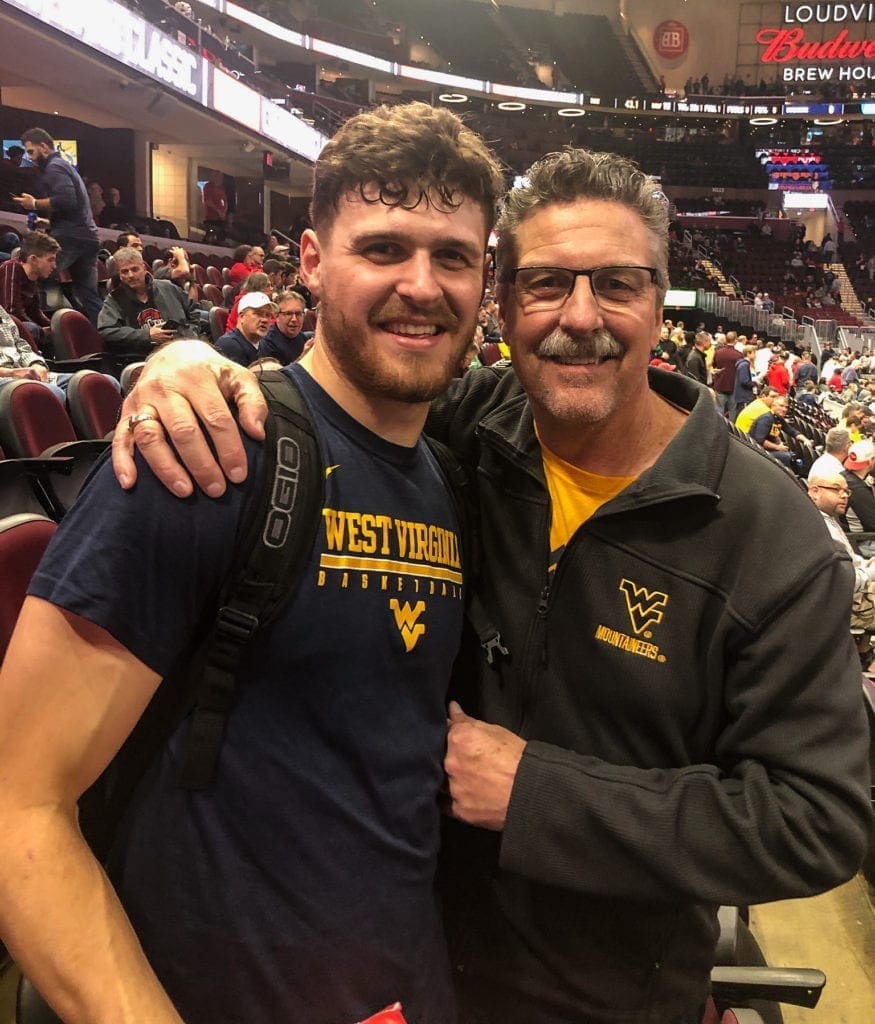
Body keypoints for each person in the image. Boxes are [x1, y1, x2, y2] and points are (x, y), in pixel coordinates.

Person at [111, 147, 872, 1024]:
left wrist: (537, 796)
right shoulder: (465, 425)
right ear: (501, 303)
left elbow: (813, 819)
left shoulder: (769, 537)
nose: (579, 318)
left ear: (658, 303)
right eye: (546, 283)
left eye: (617, 285)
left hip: (597, 1001)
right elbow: (332, 391)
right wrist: (193, 367)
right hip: (394, 969)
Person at [0, 100, 504, 1024]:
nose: (422, 285)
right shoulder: (205, 452)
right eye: (384, 248)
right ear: (310, 263)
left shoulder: (451, 476)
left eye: (454, 256)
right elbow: (17, 807)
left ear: (485, 280)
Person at [12, 127, 102, 325]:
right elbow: (74, 207)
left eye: (30, 151)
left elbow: (66, 200)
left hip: (71, 237)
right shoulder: (64, 165)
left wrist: (34, 204)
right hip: (87, 236)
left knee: (37, 273)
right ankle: (105, 337)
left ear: (43, 146)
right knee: (89, 295)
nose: (30, 158)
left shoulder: (55, 166)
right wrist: (50, 222)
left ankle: (39, 331)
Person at [97, 246, 201, 355]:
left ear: (144, 269)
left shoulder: (168, 287)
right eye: (124, 272)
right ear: (120, 275)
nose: (130, 275)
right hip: (143, 356)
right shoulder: (114, 299)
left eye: (135, 269)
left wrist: (189, 335)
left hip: (181, 349)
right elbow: (107, 332)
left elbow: (193, 312)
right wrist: (147, 335)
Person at [0, 230, 59, 347]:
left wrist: (55, 327)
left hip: (12, 325)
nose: (54, 265)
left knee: (58, 329)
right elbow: (12, 312)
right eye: (50, 260)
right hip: (4, 325)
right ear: (33, 259)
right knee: (32, 329)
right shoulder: (11, 268)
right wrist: (42, 330)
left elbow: (36, 313)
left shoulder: (33, 277)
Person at [214, 291, 276, 367]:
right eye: (258, 313)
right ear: (242, 317)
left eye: (268, 315)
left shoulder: (262, 344)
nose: (265, 320)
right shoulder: (229, 345)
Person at [257, 288, 313, 365]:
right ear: (276, 316)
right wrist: (302, 358)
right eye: (288, 314)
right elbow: (272, 376)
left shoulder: (303, 339)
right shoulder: (267, 344)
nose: (294, 319)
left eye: (298, 314)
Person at [202, 169, 228, 241]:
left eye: (220, 176)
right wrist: (218, 211)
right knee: (211, 237)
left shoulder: (221, 188)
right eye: (217, 175)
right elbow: (207, 201)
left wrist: (224, 212)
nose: (220, 178)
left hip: (221, 219)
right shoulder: (208, 186)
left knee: (221, 237)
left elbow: (225, 201)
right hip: (211, 219)